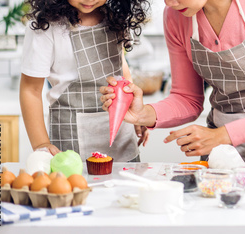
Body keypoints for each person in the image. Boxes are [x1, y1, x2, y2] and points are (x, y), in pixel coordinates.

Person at [100, 0, 245, 162]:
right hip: (222, 155)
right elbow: (187, 99)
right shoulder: (176, 17)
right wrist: (143, 114)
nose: (170, 2)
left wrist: (222, 135)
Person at [20, 0, 150, 162]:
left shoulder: (115, 17)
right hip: (71, 144)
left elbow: (122, 70)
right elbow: (30, 90)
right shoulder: (45, 26)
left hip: (122, 143)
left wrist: (136, 114)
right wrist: (41, 143)